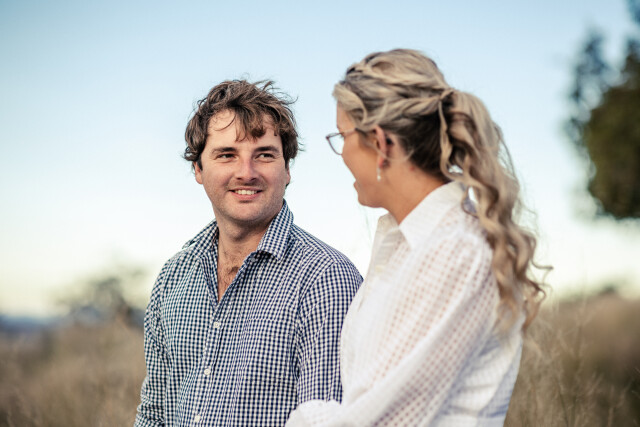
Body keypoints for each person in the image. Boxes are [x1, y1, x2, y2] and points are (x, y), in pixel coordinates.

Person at [286, 49, 547, 426]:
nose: (341, 154)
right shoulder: (407, 246)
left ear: (381, 143)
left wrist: (300, 417)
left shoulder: (456, 253)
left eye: (342, 136)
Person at [134, 80, 362, 426]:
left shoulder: (326, 279)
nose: (246, 173)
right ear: (198, 169)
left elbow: (329, 421)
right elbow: (155, 413)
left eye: (264, 155)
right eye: (227, 155)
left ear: (287, 169)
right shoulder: (173, 278)